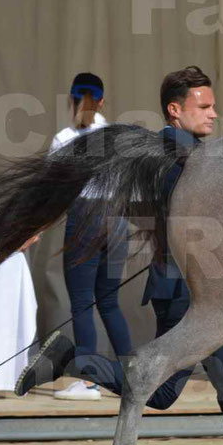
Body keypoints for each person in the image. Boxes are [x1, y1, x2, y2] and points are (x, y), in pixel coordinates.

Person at [15, 66, 223, 445]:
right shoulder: (176, 150)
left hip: (199, 287)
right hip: (184, 290)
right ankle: (70, 359)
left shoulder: (190, 150)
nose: (214, 113)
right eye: (204, 106)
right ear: (175, 111)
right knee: (167, 390)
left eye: (213, 105)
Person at [48, 73, 133, 401]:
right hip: (118, 220)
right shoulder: (116, 136)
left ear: (71, 99)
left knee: (83, 301)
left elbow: (51, 190)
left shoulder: (63, 138)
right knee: (110, 302)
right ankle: (131, 377)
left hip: (84, 217)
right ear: (102, 101)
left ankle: (88, 381)